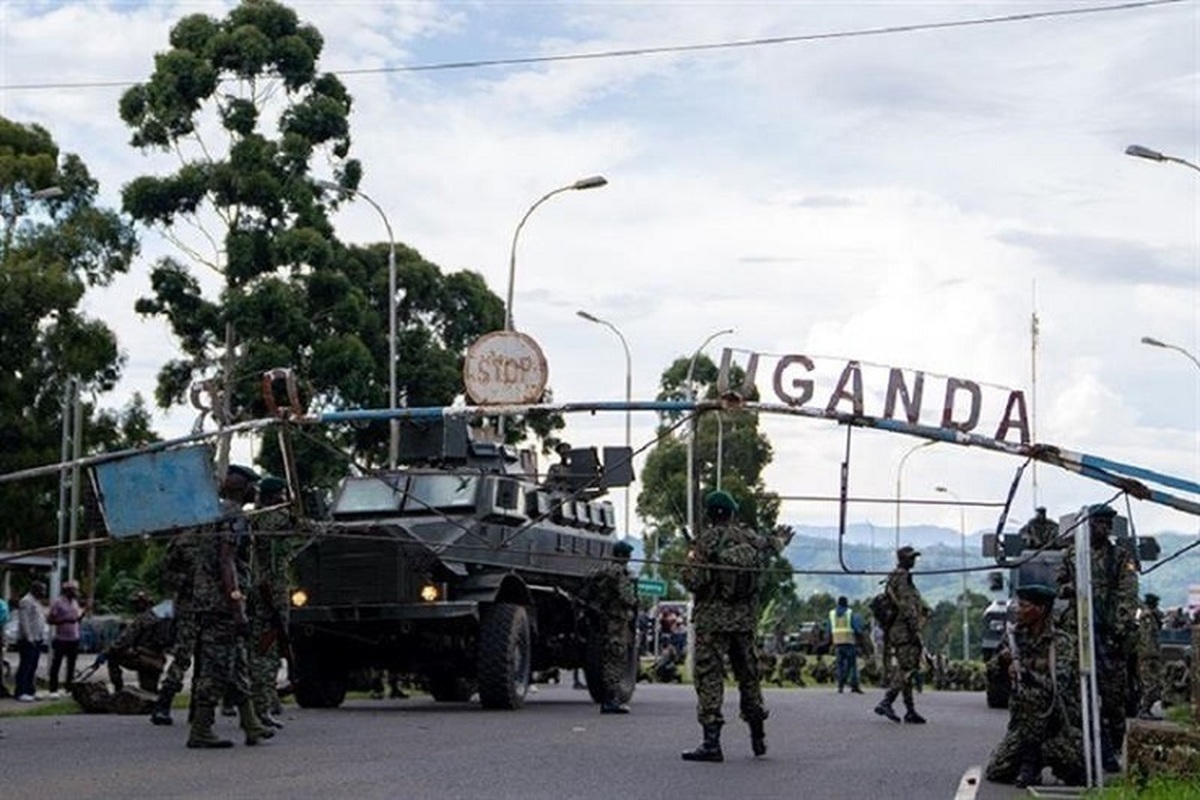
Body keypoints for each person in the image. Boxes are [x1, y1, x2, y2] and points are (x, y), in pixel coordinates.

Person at [679, 490, 791, 762]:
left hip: (712, 622)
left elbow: (694, 581)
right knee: (748, 677)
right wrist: (780, 539)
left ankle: (711, 743)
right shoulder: (748, 537)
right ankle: (758, 736)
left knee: (710, 678)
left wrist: (689, 561)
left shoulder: (704, 542)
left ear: (709, 514)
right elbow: (771, 545)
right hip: (744, 621)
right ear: (731, 513)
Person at [185, 464, 274, 748]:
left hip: (209, 600)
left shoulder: (211, 513)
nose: (255, 491)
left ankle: (251, 724)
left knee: (236, 664)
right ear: (244, 488)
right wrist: (237, 605)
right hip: (221, 604)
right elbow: (227, 560)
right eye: (253, 487)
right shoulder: (234, 516)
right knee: (216, 666)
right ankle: (201, 729)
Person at [1056, 504, 1139, 772]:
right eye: (1096, 523)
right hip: (1078, 630)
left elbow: (1128, 595)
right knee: (1076, 694)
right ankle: (1084, 751)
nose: (1101, 528)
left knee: (1114, 698)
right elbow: (1059, 587)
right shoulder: (1071, 555)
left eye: (1105, 524)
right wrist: (1073, 588)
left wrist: (1119, 627)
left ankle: (1114, 749)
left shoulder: (1120, 557)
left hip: (1108, 634)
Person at [984, 583, 1085, 788]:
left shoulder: (1061, 642)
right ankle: (1030, 761)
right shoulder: (1014, 636)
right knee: (997, 771)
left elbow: (1060, 687)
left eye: (1024, 606)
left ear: (1040, 610)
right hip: (1024, 725)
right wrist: (1003, 663)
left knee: (1076, 773)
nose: (1018, 611)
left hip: (1058, 723)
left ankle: (1034, 761)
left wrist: (1027, 673)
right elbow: (991, 674)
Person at [578, 539, 639, 714]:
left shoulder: (601, 571)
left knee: (609, 657)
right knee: (615, 659)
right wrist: (634, 599)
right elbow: (627, 597)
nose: (628, 559)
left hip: (604, 620)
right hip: (616, 621)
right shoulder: (619, 573)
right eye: (627, 556)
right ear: (621, 556)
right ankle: (611, 699)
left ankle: (610, 698)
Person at [874, 545, 931, 724]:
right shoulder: (902, 578)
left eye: (914, 557)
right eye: (910, 557)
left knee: (908, 671)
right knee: (907, 668)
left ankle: (910, 710)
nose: (913, 560)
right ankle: (886, 701)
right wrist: (915, 629)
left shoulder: (894, 577)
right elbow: (907, 607)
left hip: (898, 631)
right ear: (902, 559)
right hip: (904, 631)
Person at [98, 591, 173, 693]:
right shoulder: (162, 618)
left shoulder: (142, 619)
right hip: (158, 661)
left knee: (113, 656)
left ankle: (118, 691)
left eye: (137, 603)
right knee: (149, 693)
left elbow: (124, 641)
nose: (135, 606)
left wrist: (106, 652)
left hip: (143, 658)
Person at [47, 579, 85, 697]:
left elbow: (77, 618)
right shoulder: (58, 602)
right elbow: (50, 620)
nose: (76, 592)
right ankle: (53, 690)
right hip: (61, 639)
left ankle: (68, 689)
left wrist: (81, 616)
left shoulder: (75, 602)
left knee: (71, 665)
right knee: (56, 665)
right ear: (67, 590)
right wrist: (65, 620)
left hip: (74, 638)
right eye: (74, 590)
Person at [15, 580, 49, 701]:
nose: (44, 592)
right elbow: (24, 622)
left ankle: (30, 690)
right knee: (26, 665)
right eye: (42, 590)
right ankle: (21, 691)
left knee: (33, 665)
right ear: (35, 589)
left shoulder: (36, 601)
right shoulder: (26, 601)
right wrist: (29, 638)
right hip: (28, 639)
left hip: (37, 638)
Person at [826, 596, 865, 694]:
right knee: (852, 665)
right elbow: (856, 628)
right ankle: (854, 685)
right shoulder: (849, 613)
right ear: (846, 603)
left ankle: (840, 686)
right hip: (849, 642)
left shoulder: (832, 613)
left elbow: (828, 629)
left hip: (837, 643)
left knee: (840, 665)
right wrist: (861, 635)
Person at [1136, 592, 1164, 720]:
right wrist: (1151, 655)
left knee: (1155, 684)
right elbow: (1146, 639)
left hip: (1151, 655)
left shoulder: (1150, 617)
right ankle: (1144, 709)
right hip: (1149, 656)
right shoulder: (1147, 618)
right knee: (1151, 684)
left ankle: (1145, 708)